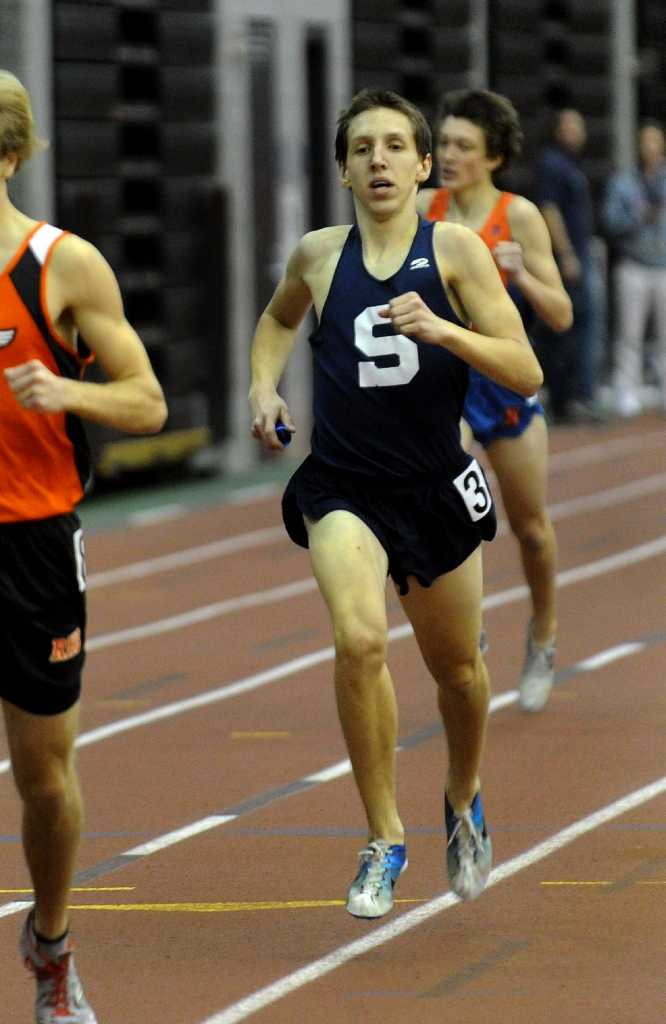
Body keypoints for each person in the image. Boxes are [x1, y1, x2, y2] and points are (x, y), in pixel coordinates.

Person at [249, 88, 542, 920]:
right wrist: (262, 385)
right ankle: (384, 836)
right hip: (343, 486)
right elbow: (276, 322)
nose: (378, 160)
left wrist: (444, 330)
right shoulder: (318, 255)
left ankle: (463, 793)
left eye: (393, 147)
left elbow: (525, 370)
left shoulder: (453, 250)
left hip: (432, 489)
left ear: (422, 167)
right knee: (360, 639)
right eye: (361, 148)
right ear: (343, 170)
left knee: (459, 673)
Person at [0, 70, 167, 1023]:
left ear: (10, 157)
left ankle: (53, 946)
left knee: (45, 780)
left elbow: (148, 403)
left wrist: (66, 391)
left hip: (31, 546)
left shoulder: (61, 266)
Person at [417, 89, 572, 712]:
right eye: (444, 143)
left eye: (464, 146)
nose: (449, 156)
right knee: (445, 501)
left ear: (494, 157)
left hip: (504, 380)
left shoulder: (520, 215)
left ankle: (543, 636)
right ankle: (468, 628)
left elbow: (561, 314)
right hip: (446, 380)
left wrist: (522, 274)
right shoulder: (424, 209)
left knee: (530, 529)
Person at [531, 107, 603, 423]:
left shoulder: (573, 164)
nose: (578, 131)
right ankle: (564, 400)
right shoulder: (552, 163)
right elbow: (549, 208)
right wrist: (566, 254)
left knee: (581, 326)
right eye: (571, 126)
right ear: (558, 130)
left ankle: (576, 397)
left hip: (580, 253)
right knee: (565, 328)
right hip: (567, 257)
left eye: (580, 126)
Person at [602, 119, 666, 417]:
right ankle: (626, 391)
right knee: (629, 334)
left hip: (663, 265)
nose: (650, 147)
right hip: (633, 264)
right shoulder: (624, 182)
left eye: (655, 141)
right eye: (645, 141)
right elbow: (610, 220)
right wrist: (638, 217)